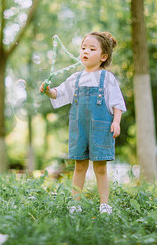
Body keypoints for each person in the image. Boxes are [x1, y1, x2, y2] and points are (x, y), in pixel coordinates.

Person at [39, 31, 126, 214]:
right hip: (80, 128)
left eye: (92, 49)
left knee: (100, 167)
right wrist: (48, 91)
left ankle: (104, 204)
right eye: (83, 47)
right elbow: (59, 93)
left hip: (101, 128)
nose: (85, 51)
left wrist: (116, 122)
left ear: (103, 56)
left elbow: (117, 103)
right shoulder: (76, 78)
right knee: (79, 166)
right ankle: (75, 203)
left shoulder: (107, 78)